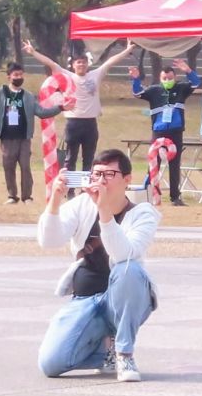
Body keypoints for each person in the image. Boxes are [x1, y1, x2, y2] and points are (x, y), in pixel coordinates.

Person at [37, 149, 160, 382]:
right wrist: (54, 200)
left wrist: (104, 210)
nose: (101, 181)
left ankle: (124, 353)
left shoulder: (143, 213)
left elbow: (123, 254)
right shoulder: (82, 204)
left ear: (126, 179)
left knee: (130, 270)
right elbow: (49, 240)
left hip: (122, 298)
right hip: (86, 300)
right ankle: (104, 351)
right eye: (96, 175)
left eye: (109, 174)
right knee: (50, 363)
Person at [0, 62, 72, 204]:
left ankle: (27, 196)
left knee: (25, 166)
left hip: (24, 138)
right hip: (6, 138)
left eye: (21, 75)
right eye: (15, 75)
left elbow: (41, 112)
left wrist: (61, 107)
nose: (19, 77)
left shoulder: (27, 96)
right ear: (9, 77)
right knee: (8, 167)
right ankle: (12, 196)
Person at [22, 40, 134, 174]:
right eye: (78, 62)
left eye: (84, 62)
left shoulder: (95, 75)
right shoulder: (67, 76)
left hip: (90, 123)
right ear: (73, 65)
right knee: (70, 159)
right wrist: (33, 52)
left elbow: (110, 61)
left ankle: (85, 189)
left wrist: (127, 50)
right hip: (73, 123)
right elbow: (50, 63)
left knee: (89, 159)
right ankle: (70, 191)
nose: (81, 64)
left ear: (87, 64)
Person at [131, 59, 200, 206]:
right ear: (160, 78)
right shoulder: (154, 91)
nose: (167, 80)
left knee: (174, 165)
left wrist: (188, 70)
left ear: (175, 78)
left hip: (175, 132)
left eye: (170, 78)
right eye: (164, 78)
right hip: (158, 131)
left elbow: (196, 83)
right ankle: (148, 193)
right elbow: (137, 93)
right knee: (153, 163)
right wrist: (136, 79)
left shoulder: (182, 88)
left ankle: (175, 197)